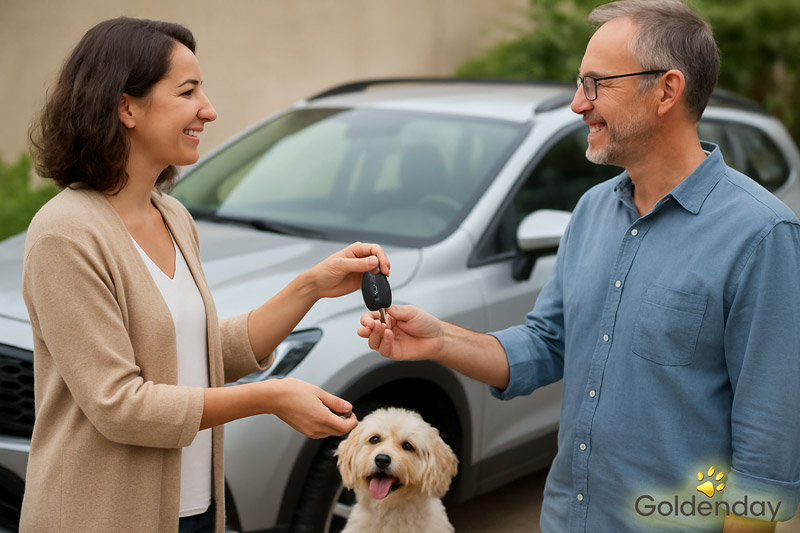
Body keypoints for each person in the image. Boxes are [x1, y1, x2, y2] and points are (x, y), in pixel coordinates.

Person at [359, 1, 800, 532]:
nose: (576, 104)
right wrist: (440, 340)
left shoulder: (762, 234)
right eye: (578, 83)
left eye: (596, 84)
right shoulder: (591, 211)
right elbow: (549, 344)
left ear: (666, 89)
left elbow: (767, 447)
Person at [21, 17, 389, 533]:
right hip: (103, 517)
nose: (208, 110)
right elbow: (119, 405)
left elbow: (201, 352)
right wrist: (271, 396)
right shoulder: (65, 235)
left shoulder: (173, 217)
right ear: (126, 106)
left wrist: (311, 287)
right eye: (188, 91)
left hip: (195, 511)